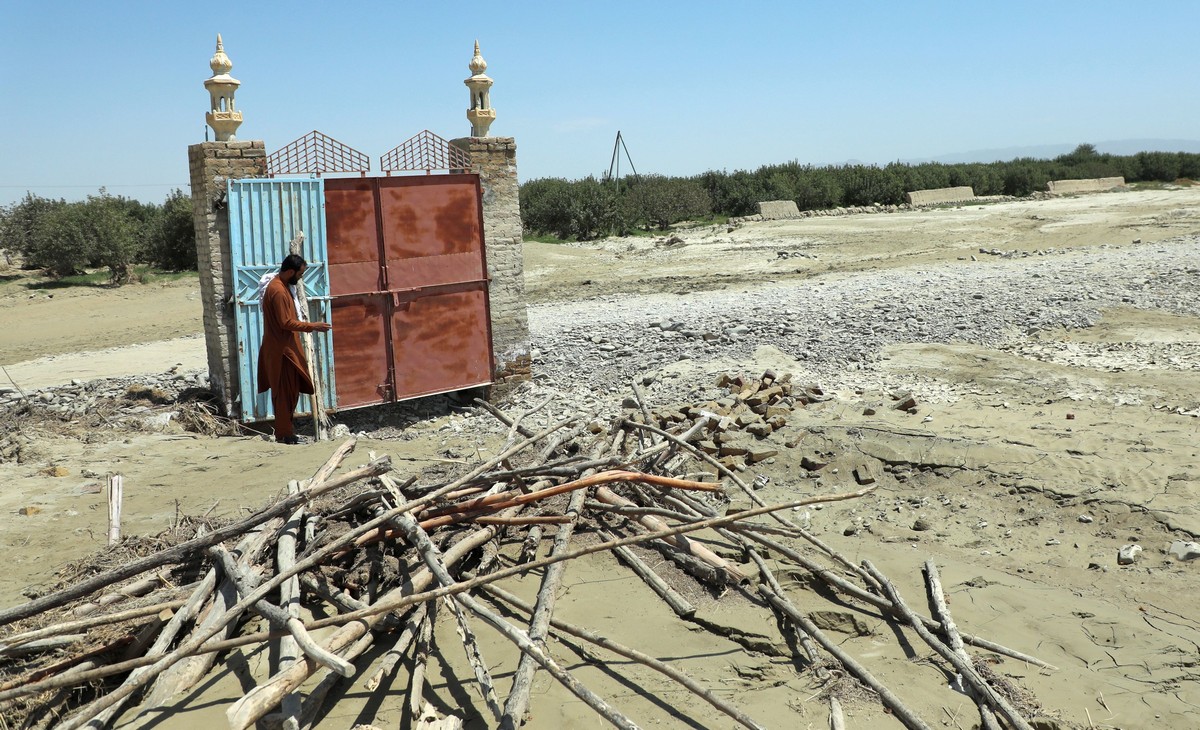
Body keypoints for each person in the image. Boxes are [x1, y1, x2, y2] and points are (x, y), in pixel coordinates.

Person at [257, 254, 332, 445]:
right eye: (300, 273)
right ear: (290, 271)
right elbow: (285, 322)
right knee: (284, 394)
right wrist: (313, 326)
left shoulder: (280, 286)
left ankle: (286, 432)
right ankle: (284, 435)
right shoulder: (279, 291)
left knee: (290, 392)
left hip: (283, 347)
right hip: (281, 352)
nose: (300, 277)